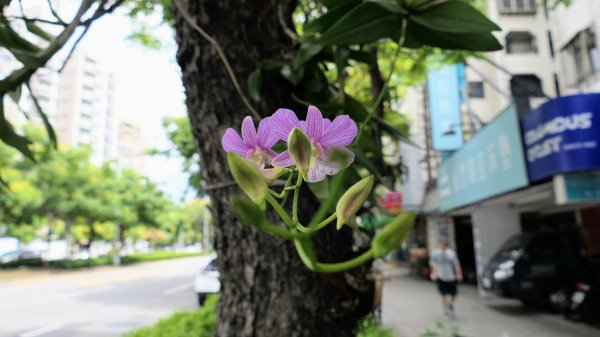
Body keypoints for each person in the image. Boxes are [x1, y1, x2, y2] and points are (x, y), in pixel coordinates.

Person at [429, 239, 463, 319]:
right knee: (443, 295)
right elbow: (433, 264)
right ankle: (446, 312)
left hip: (451, 276)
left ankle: (450, 305)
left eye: (444, 244)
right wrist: (434, 273)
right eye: (441, 244)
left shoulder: (451, 253)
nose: (443, 246)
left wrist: (459, 274)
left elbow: (456, 264)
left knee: (453, 294)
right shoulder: (435, 253)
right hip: (441, 276)